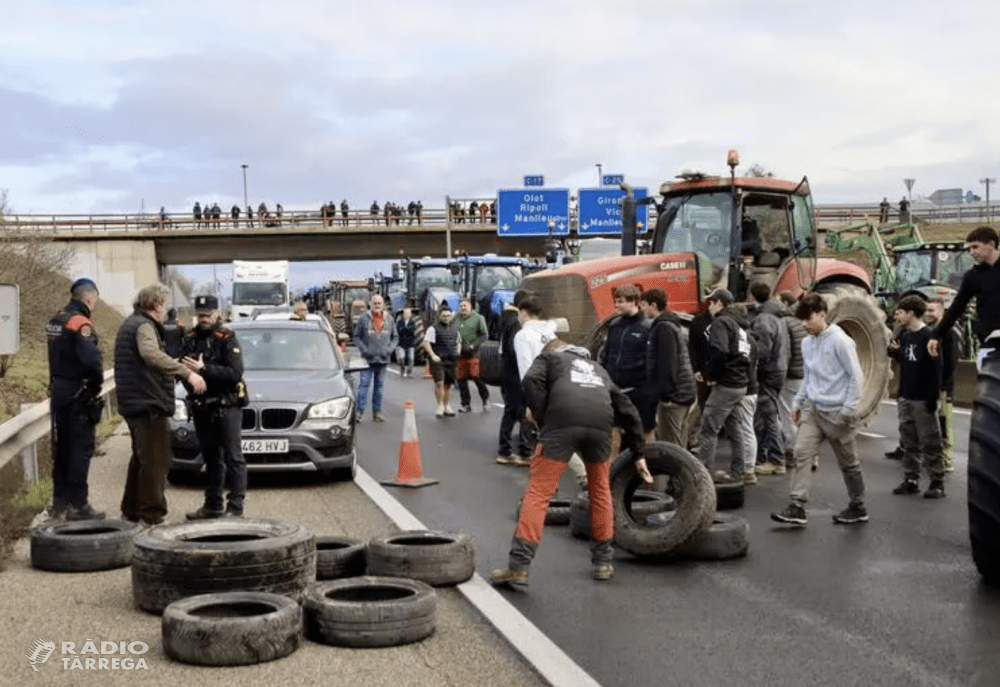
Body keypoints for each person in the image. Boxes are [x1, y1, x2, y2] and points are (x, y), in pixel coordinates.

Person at [489, 337, 652, 587]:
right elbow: (628, 409)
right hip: (600, 428)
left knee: (539, 494)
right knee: (600, 492)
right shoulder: (599, 370)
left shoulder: (550, 357)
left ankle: (519, 567)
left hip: (560, 425)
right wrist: (639, 454)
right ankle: (603, 563)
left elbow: (531, 380)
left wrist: (544, 417)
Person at [771, 292, 868, 526]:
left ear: (822, 315)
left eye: (808, 319)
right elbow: (810, 376)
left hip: (838, 413)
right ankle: (796, 506)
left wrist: (848, 409)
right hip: (814, 410)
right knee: (801, 453)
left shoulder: (840, 341)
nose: (804, 324)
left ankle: (858, 505)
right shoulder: (807, 342)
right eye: (801, 320)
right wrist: (798, 402)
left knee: (848, 463)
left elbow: (856, 376)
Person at [116, 283, 207, 526]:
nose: (167, 308)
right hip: (147, 402)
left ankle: (132, 510)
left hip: (134, 400)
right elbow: (150, 354)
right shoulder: (144, 326)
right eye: (165, 303)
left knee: (141, 458)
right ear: (157, 305)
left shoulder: (131, 323)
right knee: (156, 460)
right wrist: (185, 373)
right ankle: (153, 515)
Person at [182, 295, 249, 519]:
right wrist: (190, 378)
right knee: (211, 458)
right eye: (201, 315)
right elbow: (181, 367)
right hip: (202, 406)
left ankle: (235, 508)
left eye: (208, 315)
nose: (204, 319)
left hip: (226, 405)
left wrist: (204, 370)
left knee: (233, 457)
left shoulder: (227, 338)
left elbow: (234, 374)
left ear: (217, 314)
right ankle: (212, 504)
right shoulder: (190, 338)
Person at [45, 277, 105, 521]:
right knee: (80, 449)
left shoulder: (56, 320)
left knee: (63, 450)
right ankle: (78, 505)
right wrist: (96, 384)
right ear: (89, 298)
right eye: (95, 301)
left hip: (59, 392)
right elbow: (91, 361)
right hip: (78, 394)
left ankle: (60, 502)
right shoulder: (80, 322)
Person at [513, 294, 588, 489]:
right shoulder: (547, 328)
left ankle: (580, 478)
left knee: (552, 434)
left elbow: (527, 371)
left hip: (544, 390)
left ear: (522, 313)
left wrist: (531, 403)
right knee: (550, 436)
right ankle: (548, 483)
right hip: (565, 383)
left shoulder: (522, 336)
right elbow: (560, 323)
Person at [889, 295, 946, 499]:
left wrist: (932, 397)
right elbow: (905, 363)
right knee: (909, 440)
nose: (897, 317)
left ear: (911, 314)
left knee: (930, 440)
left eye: (901, 313)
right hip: (907, 395)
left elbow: (936, 370)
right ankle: (911, 478)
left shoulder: (928, 336)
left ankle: (936, 481)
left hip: (923, 398)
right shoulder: (905, 336)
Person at [928, 225, 1000, 372]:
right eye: (970, 248)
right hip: (989, 345)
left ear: (991, 245)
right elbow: (956, 308)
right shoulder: (972, 277)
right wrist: (936, 335)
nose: (972, 252)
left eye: (975, 247)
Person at [697, 288, 750, 481]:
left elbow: (719, 352)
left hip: (726, 384)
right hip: (740, 383)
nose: (709, 306)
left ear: (719, 303)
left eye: (711, 302)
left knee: (708, 430)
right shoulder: (739, 323)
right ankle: (739, 471)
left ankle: (702, 478)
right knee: (734, 428)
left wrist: (712, 375)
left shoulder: (720, 322)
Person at [639, 288, 695, 447]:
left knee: (671, 444)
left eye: (644, 305)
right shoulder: (671, 324)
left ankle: (676, 472)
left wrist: (666, 395)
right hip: (682, 391)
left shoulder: (663, 327)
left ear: (653, 305)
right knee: (679, 439)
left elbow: (667, 363)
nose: (642, 309)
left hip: (675, 395)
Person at [598, 284, 654, 440]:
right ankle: (612, 464)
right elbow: (606, 354)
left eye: (620, 301)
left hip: (640, 390)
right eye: (616, 301)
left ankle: (650, 461)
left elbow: (652, 361)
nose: (616, 305)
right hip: (615, 389)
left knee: (645, 430)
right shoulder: (614, 325)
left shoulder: (648, 327)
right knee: (614, 429)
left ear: (634, 302)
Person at [749, 282, 789, 475]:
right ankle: (762, 455)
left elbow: (763, 350)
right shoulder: (778, 316)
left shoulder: (763, 319)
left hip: (768, 373)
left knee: (769, 416)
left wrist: (755, 368)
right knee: (766, 415)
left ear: (752, 297)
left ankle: (776, 459)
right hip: (778, 369)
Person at [497, 290, 533, 466]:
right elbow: (514, 349)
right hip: (517, 373)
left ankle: (508, 450)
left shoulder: (507, 319)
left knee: (512, 411)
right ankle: (521, 452)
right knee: (521, 412)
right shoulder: (516, 323)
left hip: (510, 372)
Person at [923, 298, 960, 472]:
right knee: (930, 424)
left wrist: (941, 386)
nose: (928, 314)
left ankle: (946, 459)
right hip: (930, 386)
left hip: (944, 387)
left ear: (942, 312)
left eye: (932, 311)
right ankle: (932, 457)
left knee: (944, 424)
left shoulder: (950, 333)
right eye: (926, 310)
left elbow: (950, 364)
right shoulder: (930, 332)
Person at [353, 294, 396, 423]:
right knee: (364, 385)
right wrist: (364, 350)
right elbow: (356, 336)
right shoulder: (363, 319)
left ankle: (377, 413)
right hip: (367, 360)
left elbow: (395, 337)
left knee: (379, 386)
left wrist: (389, 350)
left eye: (379, 303)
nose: (377, 305)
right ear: (371, 304)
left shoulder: (389, 319)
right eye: (375, 303)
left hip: (383, 359)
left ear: (383, 305)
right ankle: (359, 412)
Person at [777, 291, 807, 468]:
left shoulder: (785, 323)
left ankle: (793, 451)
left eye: (779, 301)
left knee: (788, 416)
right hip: (802, 374)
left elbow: (785, 352)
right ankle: (809, 454)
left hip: (790, 376)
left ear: (786, 303)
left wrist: (781, 372)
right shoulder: (801, 322)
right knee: (801, 415)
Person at [423, 305, 460, 417]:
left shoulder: (455, 328)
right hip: (438, 359)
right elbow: (426, 342)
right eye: (444, 316)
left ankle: (447, 405)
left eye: (448, 315)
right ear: (439, 316)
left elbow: (459, 341)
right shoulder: (433, 328)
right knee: (439, 383)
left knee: (448, 384)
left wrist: (458, 352)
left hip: (451, 359)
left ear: (451, 316)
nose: (446, 317)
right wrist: (433, 355)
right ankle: (439, 406)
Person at [455, 298, 491, 413]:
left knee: (476, 377)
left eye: (465, 306)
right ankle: (466, 404)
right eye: (461, 306)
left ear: (471, 307)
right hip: (460, 354)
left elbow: (484, 335)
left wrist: (474, 344)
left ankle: (485, 398)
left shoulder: (478, 318)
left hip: (473, 353)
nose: (463, 308)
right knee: (461, 379)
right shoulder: (456, 318)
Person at [395, 307, 417, 377]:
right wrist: (406, 329)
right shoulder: (399, 322)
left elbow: (412, 330)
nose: (406, 315)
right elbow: (399, 330)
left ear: (410, 314)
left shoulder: (412, 322)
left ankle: (409, 371)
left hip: (410, 343)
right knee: (401, 358)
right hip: (401, 343)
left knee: (411, 358)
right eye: (405, 313)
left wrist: (404, 329)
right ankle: (402, 368)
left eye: (408, 313)